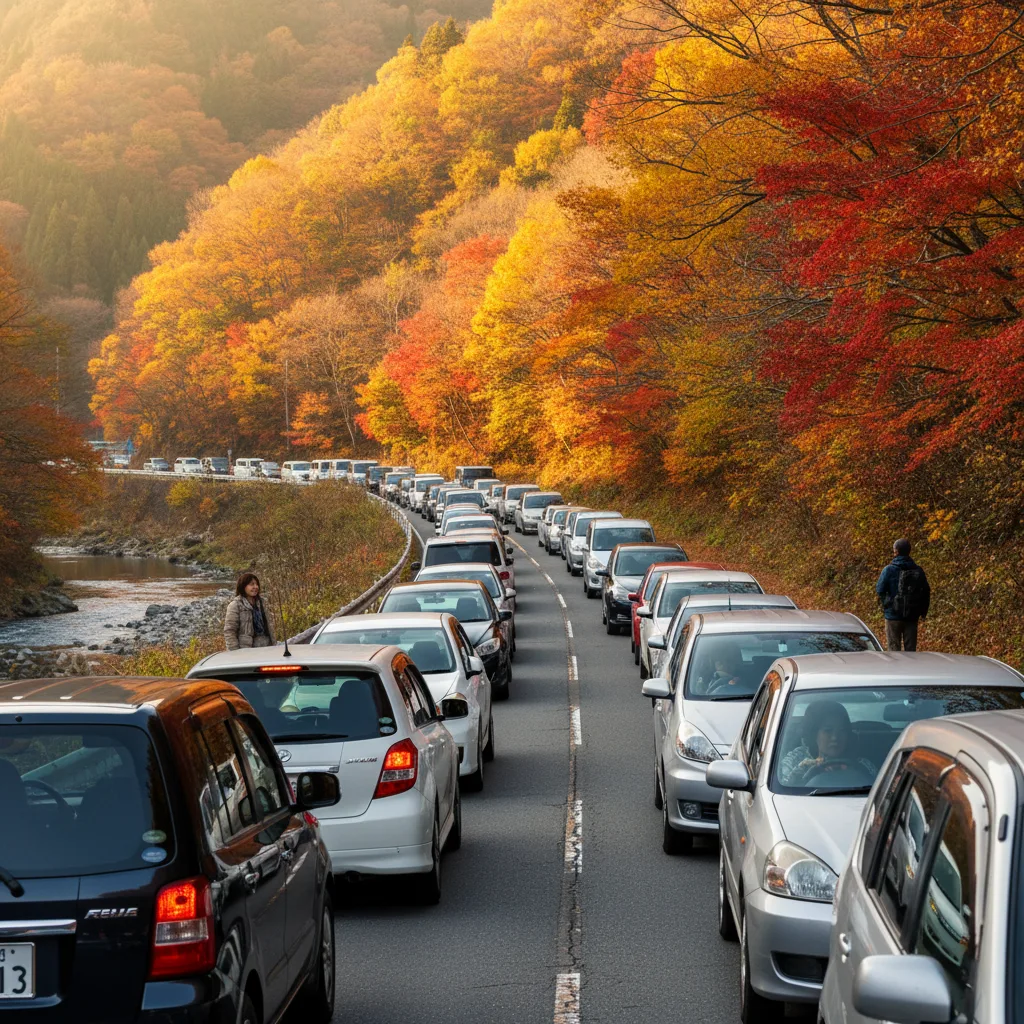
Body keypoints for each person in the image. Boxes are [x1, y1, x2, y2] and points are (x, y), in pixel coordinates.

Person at [780, 700, 876, 785]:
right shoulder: (795, 760)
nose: (835, 737)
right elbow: (783, 789)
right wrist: (801, 769)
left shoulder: (862, 765)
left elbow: (879, 789)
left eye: (842, 731)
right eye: (828, 731)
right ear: (814, 734)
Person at [875, 538, 930, 652]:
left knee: (894, 650)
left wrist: (888, 605)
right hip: (912, 616)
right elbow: (926, 592)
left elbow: (880, 589)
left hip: (892, 616)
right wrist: (922, 612)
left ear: (896, 551)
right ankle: (910, 669)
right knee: (911, 651)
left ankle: (896, 669)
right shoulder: (918, 570)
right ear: (909, 551)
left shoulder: (888, 570)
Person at [224, 572, 275, 650]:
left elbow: (269, 628)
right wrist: (235, 653)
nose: (255, 587)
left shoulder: (262, 603)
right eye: (252, 584)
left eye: (256, 584)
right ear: (243, 586)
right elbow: (230, 631)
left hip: (267, 647)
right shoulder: (235, 605)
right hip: (247, 650)